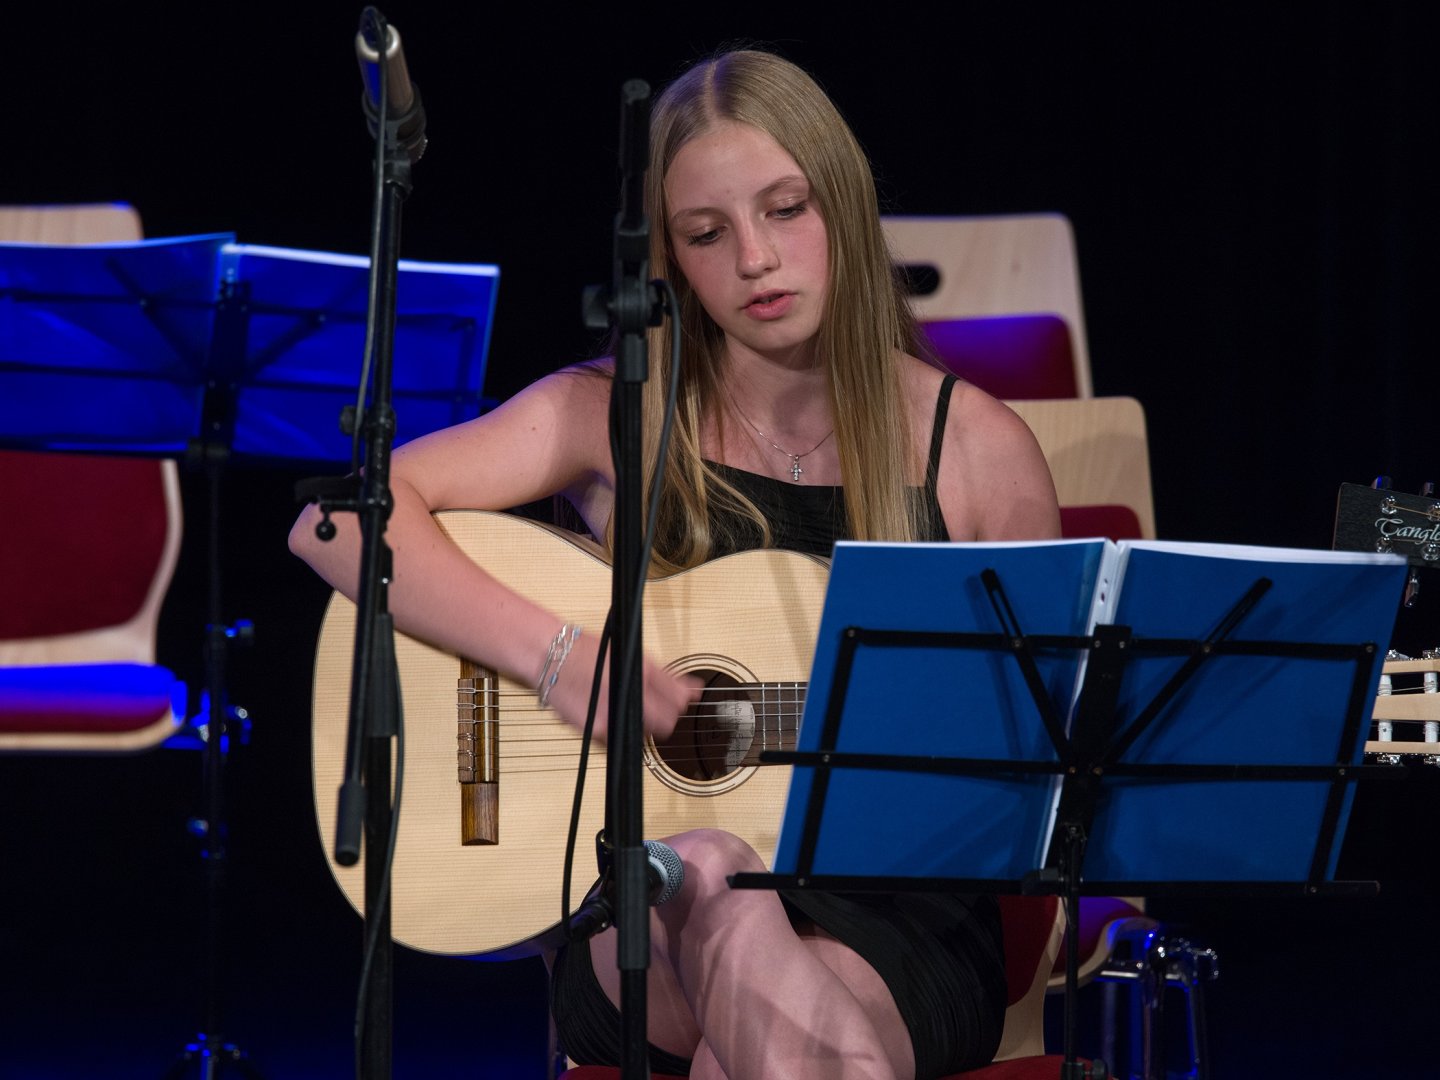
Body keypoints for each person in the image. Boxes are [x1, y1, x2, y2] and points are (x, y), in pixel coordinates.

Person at [291, 48, 1060, 1080]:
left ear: (843, 203)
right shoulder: (616, 413)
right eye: (707, 233)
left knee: (757, 1035)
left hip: (900, 920)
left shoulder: (972, 450)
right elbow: (338, 522)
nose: (755, 258)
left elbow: (1046, 742)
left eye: (786, 209)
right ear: (669, 257)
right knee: (705, 869)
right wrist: (563, 659)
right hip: (642, 914)